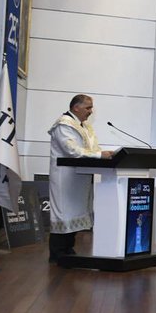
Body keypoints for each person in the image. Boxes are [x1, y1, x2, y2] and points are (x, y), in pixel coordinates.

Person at [46, 94, 114, 262]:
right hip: (65, 177)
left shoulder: (85, 126)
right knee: (63, 213)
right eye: (88, 107)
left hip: (80, 177)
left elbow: (93, 147)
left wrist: (105, 154)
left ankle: (68, 249)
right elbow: (71, 150)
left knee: (75, 213)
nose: (91, 111)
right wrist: (99, 155)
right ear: (76, 107)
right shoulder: (64, 124)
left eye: (91, 108)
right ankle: (57, 254)